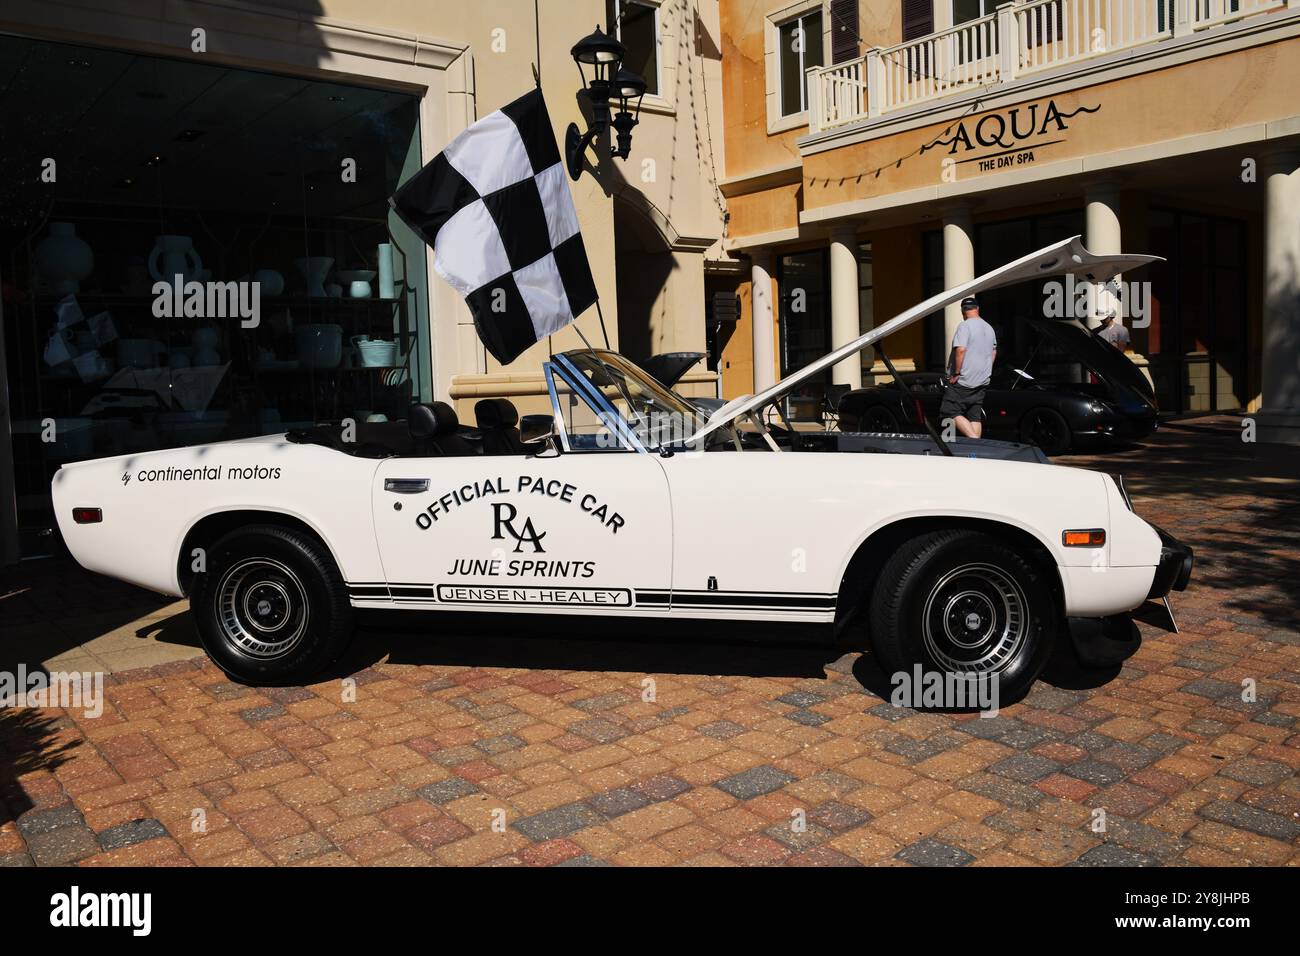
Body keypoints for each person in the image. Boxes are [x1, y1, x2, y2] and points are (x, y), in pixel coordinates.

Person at [941, 296, 997, 439]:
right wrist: (986, 369)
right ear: (977, 308)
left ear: (962, 311)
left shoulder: (964, 326)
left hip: (964, 380)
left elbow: (960, 350)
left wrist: (957, 372)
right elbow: (993, 351)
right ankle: (976, 450)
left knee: (949, 411)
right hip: (982, 380)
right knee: (974, 415)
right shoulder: (989, 327)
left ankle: (974, 440)